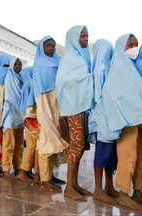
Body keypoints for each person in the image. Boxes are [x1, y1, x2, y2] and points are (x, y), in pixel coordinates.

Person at [101, 34, 142, 210]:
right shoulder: (117, 68)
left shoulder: (133, 67)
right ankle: (124, 194)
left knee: (140, 156)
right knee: (128, 156)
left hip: (138, 119)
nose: (133, 47)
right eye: (130, 44)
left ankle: (138, 191)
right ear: (121, 47)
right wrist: (124, 115)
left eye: (135, 44)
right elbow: (111, 95)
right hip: (126, 121)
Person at [56, 25, 94, 201]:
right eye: (82, 37)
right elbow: (64, 82)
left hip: (81, 107)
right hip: (73, 107)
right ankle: (68, 188)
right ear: (73, 39)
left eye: (86, 36)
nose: (85, 39)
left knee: (79, 147)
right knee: (76, 146)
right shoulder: (70, 59)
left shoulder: (82, 56)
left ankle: (75, 184)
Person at [32, 36, 69, 192]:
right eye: (48, 45)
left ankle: (51, 175)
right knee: (46, 142)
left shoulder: (57, 62)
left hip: (56, 107)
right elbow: (40, 91)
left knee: (55, 141)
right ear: (42, 48)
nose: (51, 48)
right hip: (45, 105)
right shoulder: (39, 64)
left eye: (53, 45)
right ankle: (45, 179)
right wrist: (44, 111)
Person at [87, 39, 119, 204]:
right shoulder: (101, 69)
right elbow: (102, 95)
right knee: (103, 152)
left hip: (107, 116)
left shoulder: (100, 67)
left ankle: (109, 186)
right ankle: (98, 189)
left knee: (110, 153)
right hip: (102, 116)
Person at [1, 58, 24, 176]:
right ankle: (6, 168)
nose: (18, 66)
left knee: (20, 143)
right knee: (8, 143)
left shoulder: (21, 77)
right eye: (16, 64)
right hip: (10, 113)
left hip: (20, 114)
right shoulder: (9, 76)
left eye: (20, 64)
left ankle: (18, 166)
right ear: (11, 65)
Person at [16, 66, 37, 182]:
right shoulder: (30, 84)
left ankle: (28, 170)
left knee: (32, 145)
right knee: (32, 146)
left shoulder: (26, 85)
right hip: (31, 117)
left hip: (28, 117)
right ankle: (22, 171)